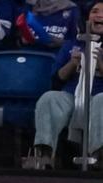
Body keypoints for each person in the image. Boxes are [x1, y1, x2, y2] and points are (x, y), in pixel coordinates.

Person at [33, 1, 103, 168]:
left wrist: (100, 63)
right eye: (95, 11)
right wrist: (72, 63)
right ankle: (44, 154)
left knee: (101, 101)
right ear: (87, 18)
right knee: (49, 98)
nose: (100, 15)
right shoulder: (72, 44)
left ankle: (99, 155)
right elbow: (57, 80)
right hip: (72, 96)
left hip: (99, 96)